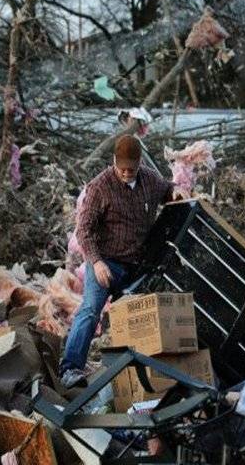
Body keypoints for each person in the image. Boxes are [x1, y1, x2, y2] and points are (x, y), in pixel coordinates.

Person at [59, 135, 175, 388]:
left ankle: (136, 378)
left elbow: (168, 190)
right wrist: (97, 262)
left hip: (137, 265)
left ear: (139, 163)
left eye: (130, 169)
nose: (125, 173)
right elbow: (84, 231)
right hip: (105, 263)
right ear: (114, 161)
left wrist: (179, 193)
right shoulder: (100, 186)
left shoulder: (149, 180)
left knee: (140, 318)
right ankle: (70, 369)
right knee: (90, 310)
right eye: (121, 168)